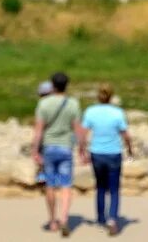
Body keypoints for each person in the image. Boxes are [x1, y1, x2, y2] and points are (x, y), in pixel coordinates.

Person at [30, 71, 87, 237]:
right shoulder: (73, 104)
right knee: (66, 185)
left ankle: (53, 220)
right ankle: (64, 218)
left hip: (48, 147)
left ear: (52, 85)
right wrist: (82, 149)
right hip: (65, 147)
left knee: (50, 185)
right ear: (66, 85)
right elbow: (78, 130)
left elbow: (38, 130)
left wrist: (34, 150)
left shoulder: (44, 104)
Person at [81, 83, 134, 236]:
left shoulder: (90, 111)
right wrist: (130, 150)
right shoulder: (117, 112)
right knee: (114, 189)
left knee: (100, 187)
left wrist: (81, 151)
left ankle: (100, 218)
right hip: (114, 153)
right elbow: (126, 135)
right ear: (111, 96)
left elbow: (84, 134)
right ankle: (112, 218)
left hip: (96, 153)